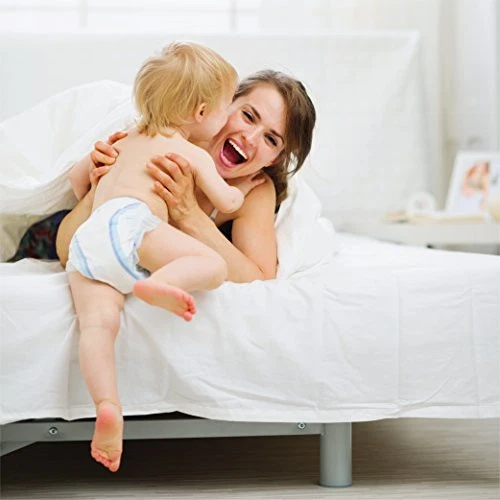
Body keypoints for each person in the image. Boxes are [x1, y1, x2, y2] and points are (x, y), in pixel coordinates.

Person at [12, 67, 316, 470]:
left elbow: (257, 276)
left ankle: (108, 406)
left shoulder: (254, 189)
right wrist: (97, 189)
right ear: (219, 106)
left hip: (128, 244)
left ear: (276, 159)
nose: (250, 137)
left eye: (271, 139)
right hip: (58, 231)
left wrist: (190, 215)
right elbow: (69, 249)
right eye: (248, 115)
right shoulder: (167, 140)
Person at [66, 41, 243, 473]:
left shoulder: (122, 139)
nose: (227, 118)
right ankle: (162, 282)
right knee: (214, 265)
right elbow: (227, 201)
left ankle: (107, 405)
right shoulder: (189, 152)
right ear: (201, 112)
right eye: (226, 108)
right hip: (131, 224)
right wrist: (241, 191)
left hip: (88, 241)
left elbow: (76, 179)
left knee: (97, 326)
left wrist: (94, 176)